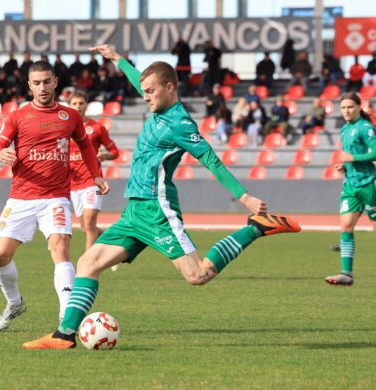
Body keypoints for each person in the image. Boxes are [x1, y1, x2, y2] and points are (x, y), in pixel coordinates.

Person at [23, 44, 301, 349]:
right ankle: (64, 336)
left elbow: (211, 159)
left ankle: (256, 227)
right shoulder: (157, 107)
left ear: (170, 88)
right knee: (88, 262)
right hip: (134, 212)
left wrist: (244, 197)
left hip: (158, 211)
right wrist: (118, 59)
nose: (145, 96)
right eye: (143, 91)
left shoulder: (181, 124)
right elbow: (139, 80)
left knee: (197, 275)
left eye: (150, 91)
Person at [0, 61, 109, 332]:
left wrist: (96, 175)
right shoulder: (18, 116)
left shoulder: (71, 116)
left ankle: (66, 318)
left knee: (61, 250)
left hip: (55, 198)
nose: (42, 87)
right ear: (29, 86)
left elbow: (87, 148)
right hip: (20, 198)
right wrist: (1, 154)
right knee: (0, 257)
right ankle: (14, 303)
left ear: (55, 81)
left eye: (46, 81)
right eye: (36, 83)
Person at [325, 93, 376, 286]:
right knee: (346, 226)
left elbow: (375, 151)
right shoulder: (345, 129)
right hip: (350, 185)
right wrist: (344, 167)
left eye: (350, 107)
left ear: (358, 107)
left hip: (369, 183)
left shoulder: (365, 128)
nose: (346, 111)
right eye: (343, 107)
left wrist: (352, 159)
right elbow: (349, 156)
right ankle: (346, 273)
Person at [68, 90, 120, 250]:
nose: (78, 107)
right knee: (86, 228)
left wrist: (105, 156)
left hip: (93, 181)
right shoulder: (64, 129)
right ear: (69, 106)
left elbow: (115, 152)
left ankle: (87, 266)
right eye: (74, 104)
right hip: (73, 184)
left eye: (81, 103)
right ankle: (114, 241)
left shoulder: (97, 128)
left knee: (90, 223)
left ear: (86, 105)